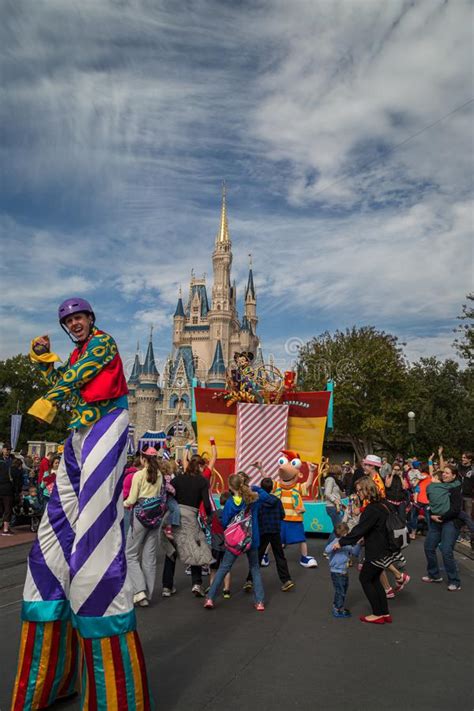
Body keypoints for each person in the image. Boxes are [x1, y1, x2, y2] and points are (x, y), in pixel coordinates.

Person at [11, 298, 151, 710]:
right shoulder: (77, 353)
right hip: (80, 429)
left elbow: (82, 374)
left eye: (78, 317)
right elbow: (71, 375)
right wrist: (44, 363)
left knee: (95, 512)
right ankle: (55, 671)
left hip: (108, 421)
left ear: (91, 319)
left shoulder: (103, 344)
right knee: (61, 510)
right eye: (68, 320)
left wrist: (52, 394)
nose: (74, 323)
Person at [204, 473, 272, 611]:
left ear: (230, 487)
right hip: (251, 539)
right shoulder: (253, 499)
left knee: (224, 568)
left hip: (235, 541)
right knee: (255, 569)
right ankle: (259, 601)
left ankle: (210, 598)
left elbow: (224, 522)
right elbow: (268, 497)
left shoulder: (229, 503)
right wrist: (255, 488)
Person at [333, 477, 395, 624]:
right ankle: (384, 612)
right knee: (374, 579)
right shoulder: (382, 504)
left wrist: (341, 542)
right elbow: (373, 528)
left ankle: (377, 613)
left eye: (360, 490)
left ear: (368, 489)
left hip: (376, 549)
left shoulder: (371, 508)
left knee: (365, 579)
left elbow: (359, 530)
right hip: (384, 548)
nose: (358, 493)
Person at [160, 455, 213, 598]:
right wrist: (209, 516)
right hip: (190, 516)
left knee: (172, 551)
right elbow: (207, 504)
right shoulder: (202, 481)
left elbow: (169, 496)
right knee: (194, 548)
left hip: (174, 515)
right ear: (200, 466)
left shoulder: (177, 479)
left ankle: (167, 586)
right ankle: (196, 584)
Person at [125, 448, 167, 607]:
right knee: (149, 557)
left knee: (130, 554)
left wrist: (124, 504)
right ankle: (147, 594)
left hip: (140, 515)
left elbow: (132, 498)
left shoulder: (139, 475)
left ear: (143, 459)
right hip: (155, 516)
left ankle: (139, 590)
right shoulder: (160, 475)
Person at [244, 477, 294, 593]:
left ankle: (249, 580)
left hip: (262, 531)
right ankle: (286, 580)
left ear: (261, 488)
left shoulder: (258, 501)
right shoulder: (277, 500)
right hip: (275, 531)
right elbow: (282, 515)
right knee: (279, 556)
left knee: (257, 556)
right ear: (272, 488)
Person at [423, 465, 462, 591]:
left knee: (446, 550)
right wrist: (432, 515)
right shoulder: (436, 486)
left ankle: (454, 581)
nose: (444, 474)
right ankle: (434, 575)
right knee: (429, 547)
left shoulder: (455, 488)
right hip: (436, 521)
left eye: (447, 473)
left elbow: (456, 510)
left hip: (450, 522)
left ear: (454, 476)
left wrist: (440, 517)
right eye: (443, 472)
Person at [325, 522, 360, 618]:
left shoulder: (346, 543)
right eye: (346, 533)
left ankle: (338, 606)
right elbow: (327, 550)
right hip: (336, 571)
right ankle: (338, 609)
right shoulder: (336, 541)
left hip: (344, 571)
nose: (347, 535)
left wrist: (359, 544)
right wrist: (335, 546)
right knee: (340, 591)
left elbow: (355, 552)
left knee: (343, 590)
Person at [209, 491, 232, 598]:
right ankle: (226, 589)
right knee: (226, 568)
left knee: (213, 569)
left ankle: (212, 587)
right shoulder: (230, 516)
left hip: (215, 545)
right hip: (227, 545)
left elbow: (207, 522)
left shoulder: (214, 514)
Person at [323, 465, 345, 544]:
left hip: (334, 506)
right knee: (338, 528)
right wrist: (335, 500)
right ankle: (329, 548)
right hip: (332, 506)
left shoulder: (332, 480)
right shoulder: (330, 479)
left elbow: (339, 494)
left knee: (338, 528)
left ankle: (330, 547)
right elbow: (327, 493)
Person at [0, 452, 15, 536]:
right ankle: (5, 529)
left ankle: (5, 527)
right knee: (7, 509)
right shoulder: (10, 466)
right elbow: (14, 479)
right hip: (7, 489)